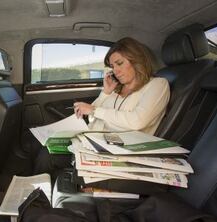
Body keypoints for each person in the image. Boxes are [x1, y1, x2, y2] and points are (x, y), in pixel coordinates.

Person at [33, 37, 170, 177]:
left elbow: (137, 121)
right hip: (95, 145)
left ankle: (38, 195)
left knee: (47, 156)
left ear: (137, 60)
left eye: (120, 63)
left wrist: (94, 110)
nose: (115, 70)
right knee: (45, 146)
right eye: (113, 66)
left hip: (121, 153)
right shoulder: (117, 89)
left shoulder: (158, 84)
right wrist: (105, 93)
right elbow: (92, 117)